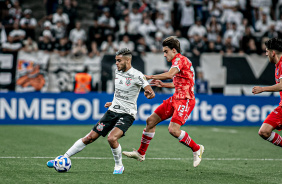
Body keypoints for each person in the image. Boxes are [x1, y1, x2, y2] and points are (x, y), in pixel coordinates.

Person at [46, 48, 155, 174]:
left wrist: (149, 93)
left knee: (112, 138)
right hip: (112, 111)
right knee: (89, 137)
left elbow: (150, 91)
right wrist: (114, 102)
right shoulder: (117, 71)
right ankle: (63, 157)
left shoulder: (138, 75)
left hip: (127, 114)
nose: (116, 63)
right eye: (116, 61)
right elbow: (119, 92)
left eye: (119, 61)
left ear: (128, 60)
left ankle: (119, 166)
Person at [123, 36, 204, 167]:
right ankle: (141, 153)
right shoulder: (180, 62)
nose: (164, 54)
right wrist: (163, 84)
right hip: (176, 98)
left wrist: (150, 77)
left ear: (174, 50)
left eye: (166, 51)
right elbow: (181, 82)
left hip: (185, 100)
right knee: (151, 121)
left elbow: (169, 74)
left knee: (173, 129)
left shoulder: (179, 59)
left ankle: (196, 148)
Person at [252, 38, 282, 148]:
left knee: (264, 131)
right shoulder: (278, 65)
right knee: (264, 131)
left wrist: (262, 89)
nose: (266, 54)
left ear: (272, 53)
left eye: (267, 51)